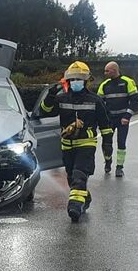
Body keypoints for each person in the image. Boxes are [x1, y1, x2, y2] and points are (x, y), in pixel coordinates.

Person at [37, 61, 112, 223]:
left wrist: (107, 146)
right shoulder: (61, 98)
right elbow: (43, 112)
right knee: (72, 178)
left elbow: (106, 126)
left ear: (85, 81)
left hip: (86, 144)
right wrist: (50, 97)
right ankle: (85, 198)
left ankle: (74, 207)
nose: (75, 82)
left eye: (78, 79)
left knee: (80, 174)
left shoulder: (95, 101)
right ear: (68, 81)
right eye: (72, 80)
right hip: (67, 145)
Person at [97, 61, 138, 177]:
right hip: (109, 119)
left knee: (121, 143)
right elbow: (99, 103)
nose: (105, 73)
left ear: (114, 70)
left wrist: (127, 116)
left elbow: (134, 101)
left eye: (107, 71)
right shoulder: (104, 85)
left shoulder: (127, 82)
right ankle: (108, 161)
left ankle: (119, 167)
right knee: (106, 143)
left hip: (122, 120)